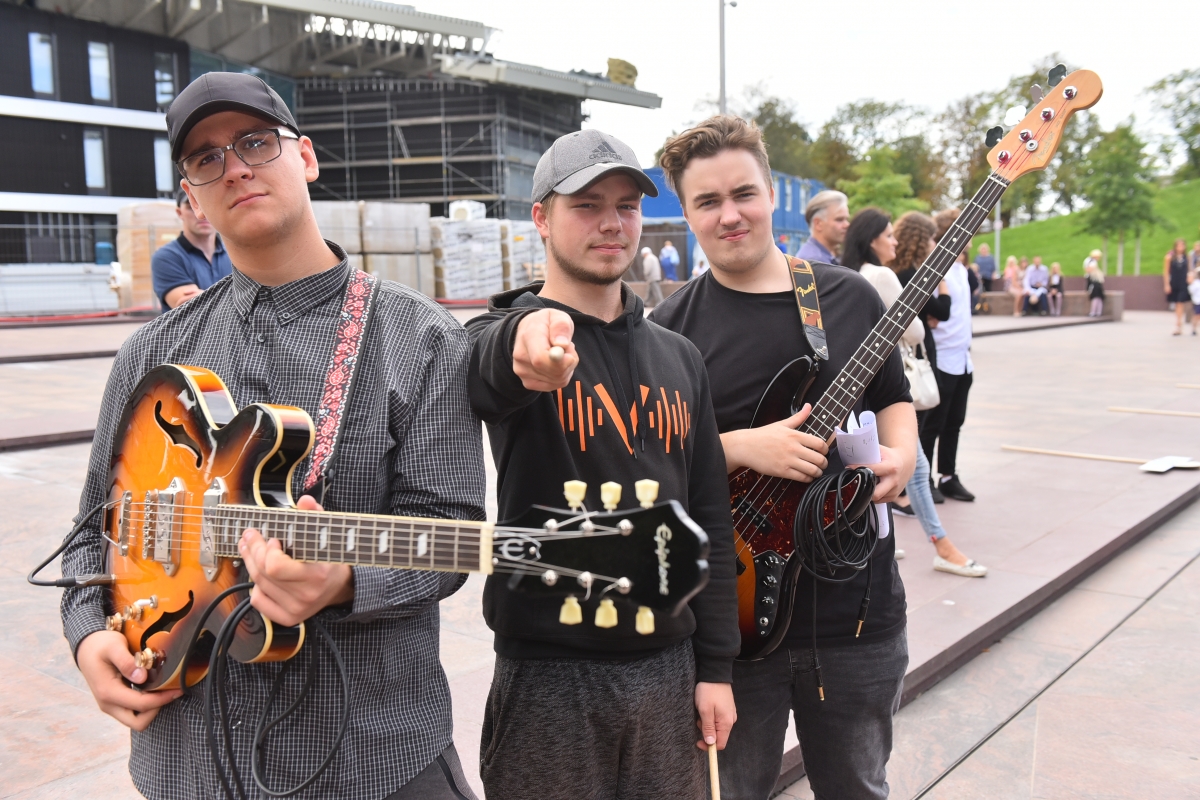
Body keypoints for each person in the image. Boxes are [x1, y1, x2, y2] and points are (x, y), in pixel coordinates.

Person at [59, 73, 486, 800]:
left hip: (371, 759)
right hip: (187, 762)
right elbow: (90, 533)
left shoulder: (419, 338)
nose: (234, 168)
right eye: (206, 158)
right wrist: (88, 636)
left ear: (306, 157)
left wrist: (345, 579)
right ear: (193, 197)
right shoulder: (149, 357)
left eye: (255, 142)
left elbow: (452, 536)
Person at [464, 129, 739, 800]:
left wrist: (717, 667)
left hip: (670, 668)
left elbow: (708, 516)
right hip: (548, 676)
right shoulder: (509, 337)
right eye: (587, 205)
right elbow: (483, 365)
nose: (612, 223)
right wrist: (524, 339)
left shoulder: (679, 357)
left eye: (626, 206)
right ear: (541, 218)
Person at [653, 115, 917, 800]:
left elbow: (894, 396)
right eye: (708, 201)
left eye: (744, 193)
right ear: (686, 213)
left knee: (859, 787)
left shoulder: (847, 296)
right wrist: (739, 448)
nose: (730, 214)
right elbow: (647, 470)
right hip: (730, 628)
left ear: (773, 195)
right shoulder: (667, 332)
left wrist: (904, 456)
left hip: (854, 614)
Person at [842, 209, 985, 577]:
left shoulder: (846, 273)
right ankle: (943, 547)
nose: (895, 241)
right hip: (886, 388)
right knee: (916, 468)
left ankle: (877, 539)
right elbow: (916, 331)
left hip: (857, 390)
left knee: (869, 468)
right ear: (873, 239)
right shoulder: (881, 276)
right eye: (889, 235)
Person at [889, 211, 951, 505]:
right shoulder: (914, 275)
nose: (933, 244)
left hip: (907, 350)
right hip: (917, 350)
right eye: (930, 238)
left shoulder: (896, 271)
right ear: (919, 240)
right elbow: (943, 311)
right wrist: (943, 282)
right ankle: (912, 491)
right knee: (922, 421)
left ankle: (913, 489)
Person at [924, 209, 978, 504]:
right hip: (942, 357)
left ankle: (948, 476)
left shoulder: (961, 269)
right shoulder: (937, 266)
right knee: (933, 424)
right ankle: (925, 480)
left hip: (963, 358)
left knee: (954, 421)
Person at [151, 186, 233, 309]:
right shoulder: (167, 257)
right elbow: (193, 309)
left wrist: (204, 298)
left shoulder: (235, 253)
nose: (201, 213)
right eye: (192, 207)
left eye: (208, 204)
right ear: (179, 213)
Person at [797, 189, 850, 265]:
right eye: (839, 220)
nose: (847, 225)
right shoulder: (815, 261)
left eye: (847, 219)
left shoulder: (829, 255)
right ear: (818, 223)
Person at [1165, 238, 1190, 335]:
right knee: (1177, 303)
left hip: (1184, 283)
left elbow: (1189, 270)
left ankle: (1179, 324)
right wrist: (1167, 284)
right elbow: (1166, 272)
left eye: (1182, 245)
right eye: (1178, 245)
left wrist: (1190, 277)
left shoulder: (1186, 257)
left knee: (1180, 303)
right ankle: (1178, 323)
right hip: (1174, 283)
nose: (1181, 247)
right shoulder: (1170, 257)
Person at [1188, 266, 1200, 336]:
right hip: (1197, 302)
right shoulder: (1195, 283)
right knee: (1196, 315)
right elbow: (1191, 290)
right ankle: (1194, 328)